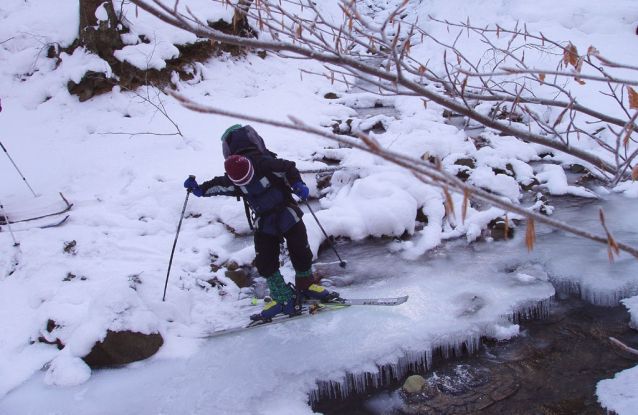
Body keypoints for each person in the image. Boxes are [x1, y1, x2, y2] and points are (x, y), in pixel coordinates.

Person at [184, 125, 339, 321]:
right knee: (265, 260)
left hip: (286, 212)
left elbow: (289, 167)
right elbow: (218, 185)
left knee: (300, 249)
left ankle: (306, 285)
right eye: (240, 183)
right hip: (264, 220)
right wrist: (199, 189)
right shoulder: (233, 179)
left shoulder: (265, 164)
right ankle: (283, 297)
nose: (245, 184)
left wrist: (298, 184)